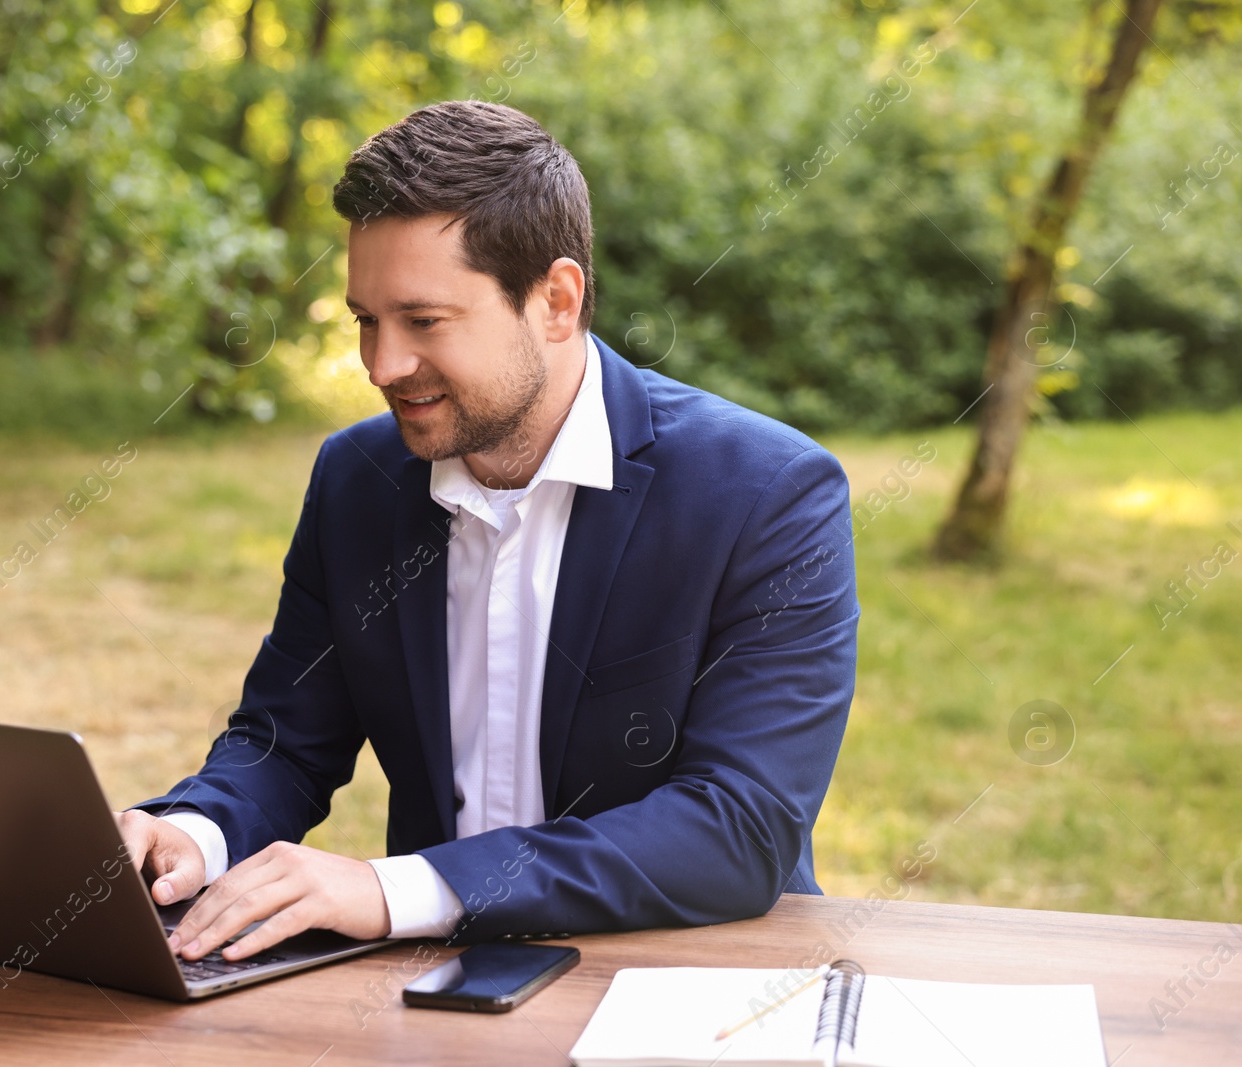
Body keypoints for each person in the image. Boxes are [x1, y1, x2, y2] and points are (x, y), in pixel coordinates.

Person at [115, 99, 859, 966]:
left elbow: (740, 827)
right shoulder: (356, 479)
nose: (381, 365)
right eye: (366, 320)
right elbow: (284, 740)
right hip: (435, 989)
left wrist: (396, 888)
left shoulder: (767, 494)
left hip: (679, 984)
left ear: (556, 300)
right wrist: (194, 835)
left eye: (424, 322)